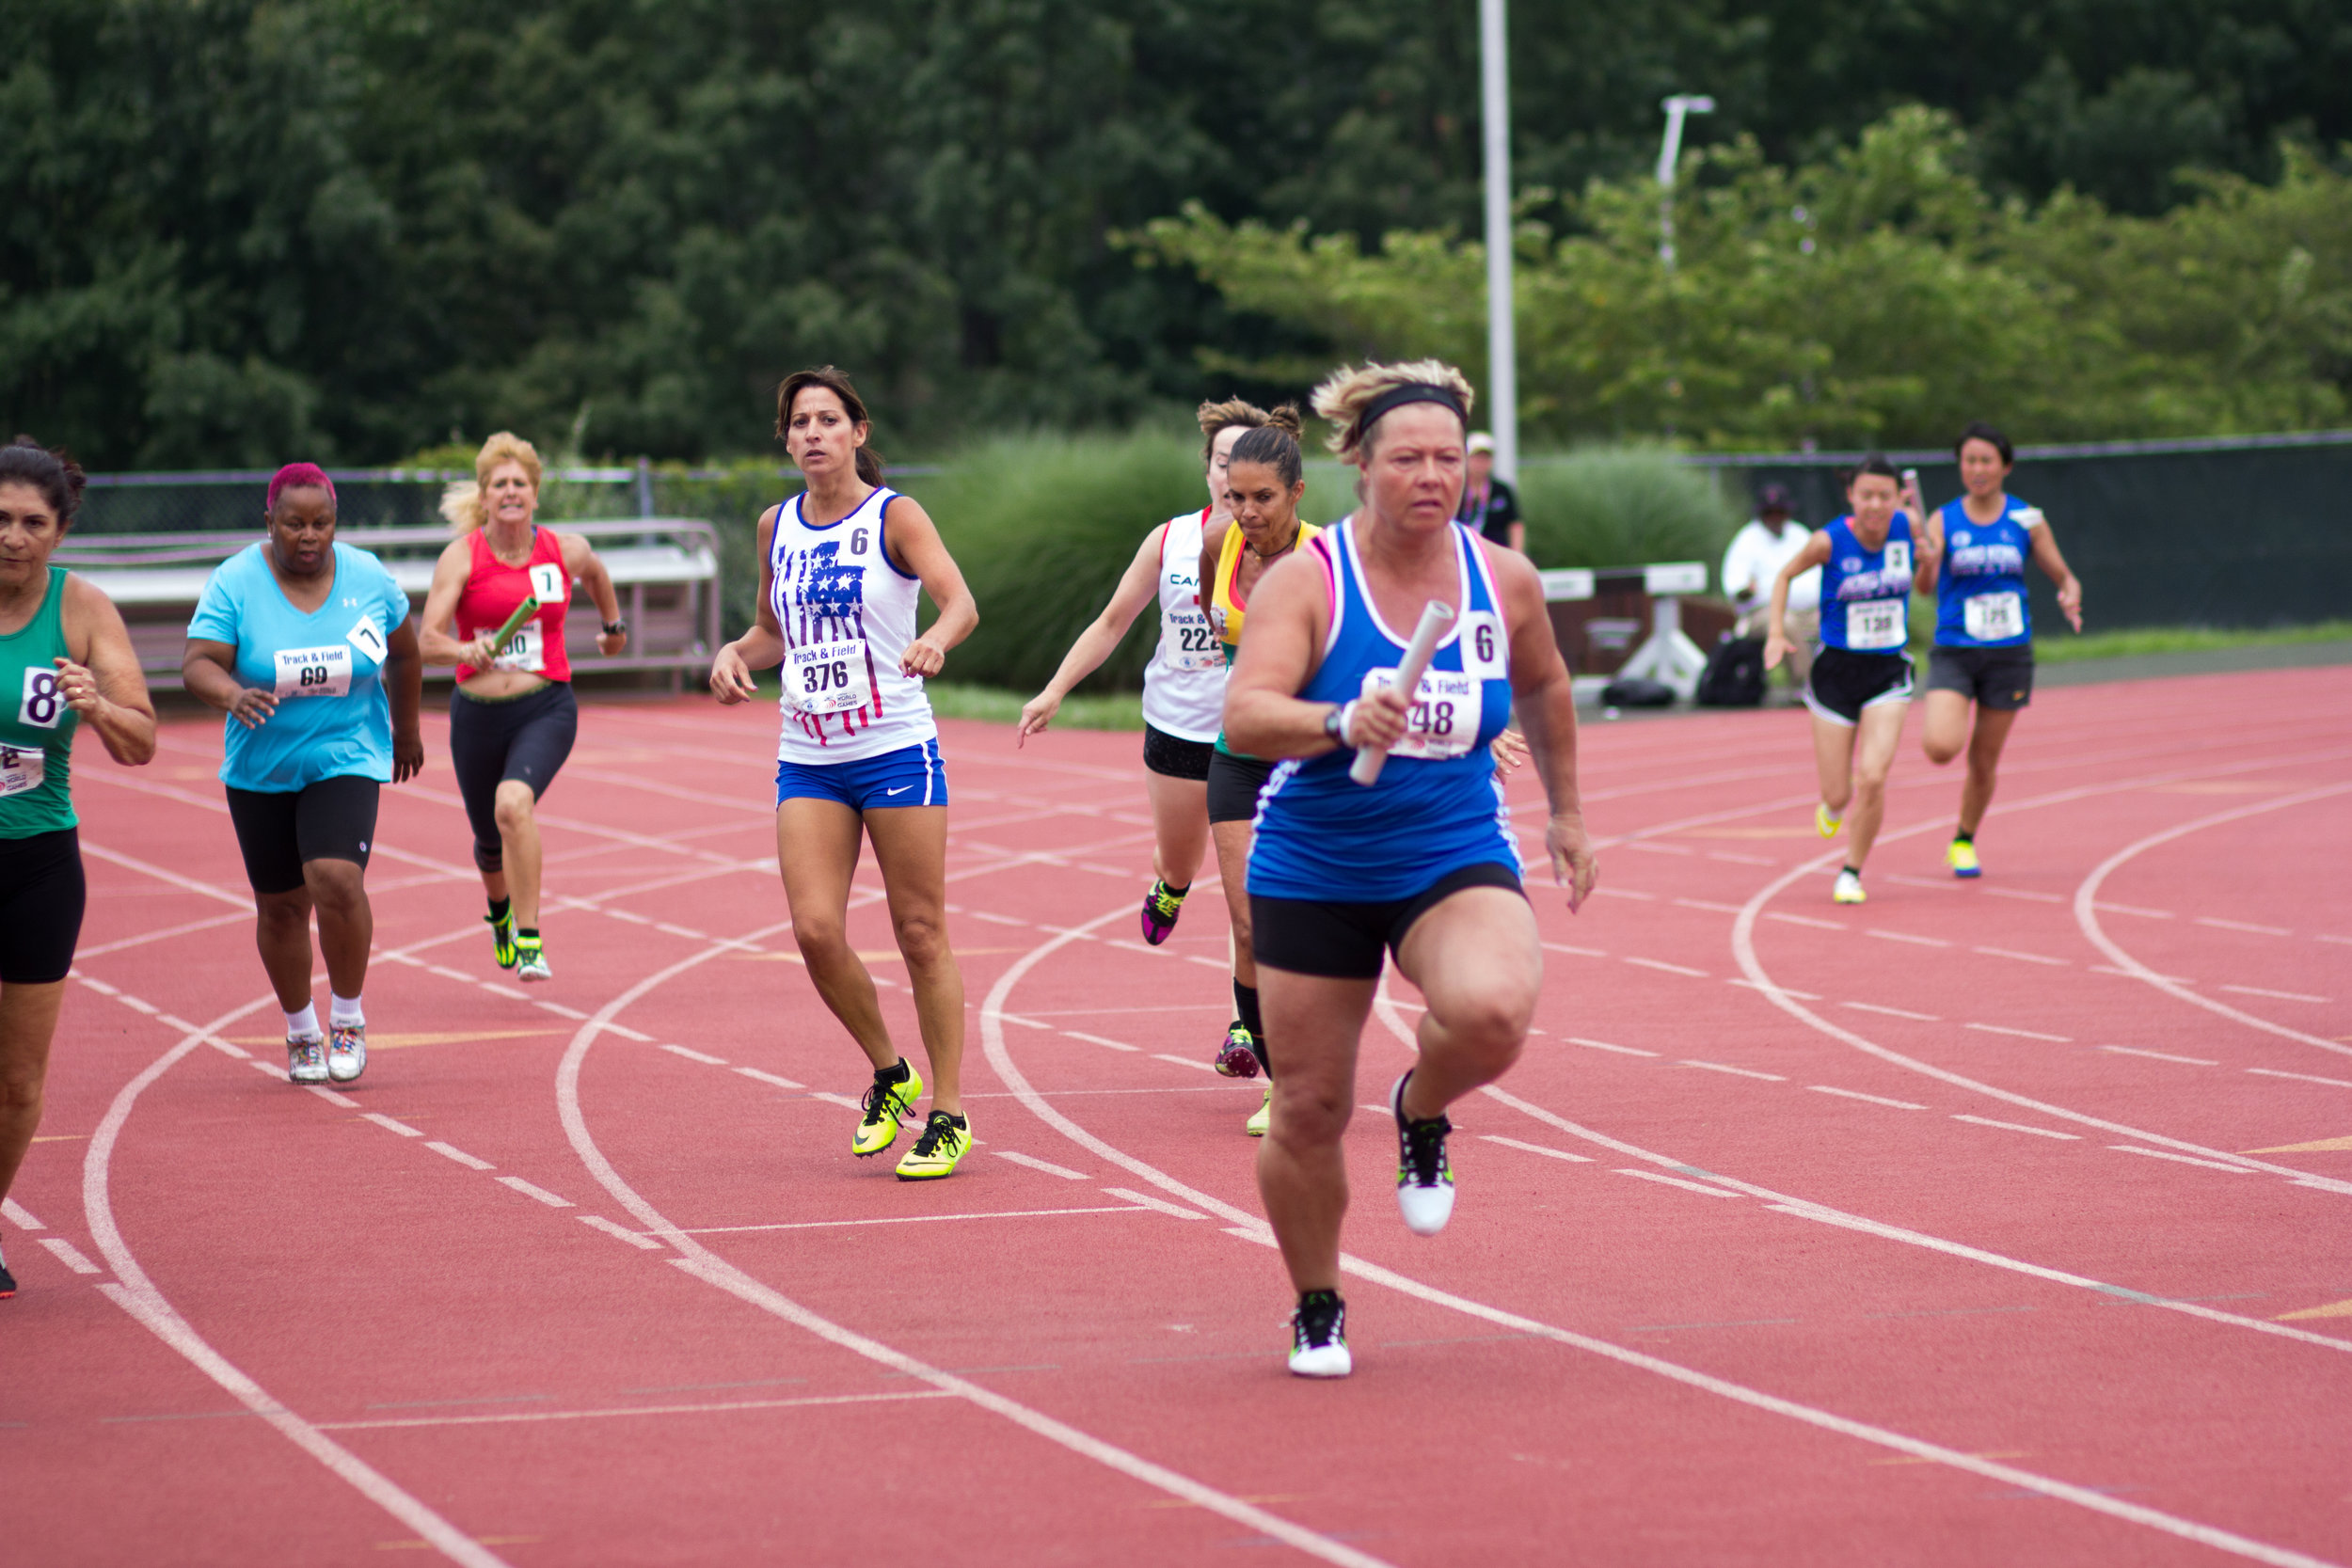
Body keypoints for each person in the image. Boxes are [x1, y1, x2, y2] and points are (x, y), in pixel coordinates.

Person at [1224, 361, 1597, 1378]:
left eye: (1450, 457)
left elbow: (1546, 684)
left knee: (1491, 1010)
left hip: (1449, 849)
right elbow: (1246, 713)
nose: (1434, 476)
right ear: (1358, 463)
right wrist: (1338, 718)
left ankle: (1422, 1107)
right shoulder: (1309, 579)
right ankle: (1316, 1301)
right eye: (1408, 458)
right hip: (1315, 862)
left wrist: (1564, 813)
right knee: (1306, 1106)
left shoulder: (1498, 578)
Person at [710, 366, 982, 1181]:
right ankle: (890, 1072)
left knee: (920, 930)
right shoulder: (775, 526)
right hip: (811, 755)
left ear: (858, 433)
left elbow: (961, 600)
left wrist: (938, 638)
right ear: (787, 438)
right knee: (815, 929)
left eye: (829, 420)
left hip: (896, 747)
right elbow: (770, 631)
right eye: (800, 423)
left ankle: (950, 1110)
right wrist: (732, 651)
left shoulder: (894, 515)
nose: (814, 434)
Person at [1018, 398, 1289, 953]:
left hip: (1254, 735)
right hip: (1178, 728)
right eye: (1222, 462)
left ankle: (1246, 1025)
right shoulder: (1170, 541)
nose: (1232, 477)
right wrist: (1054, 690)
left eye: (1246, 464)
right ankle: (1172, 883)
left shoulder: (1298, 550)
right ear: (1209, 469)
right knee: (1181, 856)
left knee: (1255, 890)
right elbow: (1112, 622)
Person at [183, 464, 422, 1086]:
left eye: (322, 523)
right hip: (261, 765)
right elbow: (198, 662)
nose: (309, 535)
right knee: (283, 907)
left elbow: (406, 651)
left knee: (335, 879)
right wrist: (232, 694)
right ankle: (300, 1029)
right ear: (270, 522)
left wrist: (409, 730)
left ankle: (347, 1016)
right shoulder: (236, 580)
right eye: (295, 523)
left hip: (346, 753)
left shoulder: (367, 575)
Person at [0, 438, 156, 1299]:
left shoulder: (84, 611)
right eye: (0, 519)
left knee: (18, 1080)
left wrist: (97, 705)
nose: (12, 537)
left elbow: (142, 741)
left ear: (59, 532)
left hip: (37, 866)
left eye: (32, 522)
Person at [419, 434, 627, 981]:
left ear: (535, 494)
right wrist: (465, 649)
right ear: (484, 497)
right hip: (476, 715)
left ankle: (529, 937)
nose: (510, 492)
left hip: (546, 706)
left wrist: (612, 628)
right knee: (489, 844)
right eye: (499, 484)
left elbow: (598, 574)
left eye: (520, 484)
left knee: (513, 806)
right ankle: (500, 913)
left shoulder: (563, 550)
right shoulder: (462, 556)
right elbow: (426, 641)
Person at [1195, 413, 1321, 1136]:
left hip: (1307, 762)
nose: (1246, 512)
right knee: (1249, 920)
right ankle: (1282, 1081)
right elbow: (1217, 626)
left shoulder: (1327, 561)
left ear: (1296, 493)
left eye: (1263, 498)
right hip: (1237, 754)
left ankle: (1313, 1056)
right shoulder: (1220, 542)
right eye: (1236, 496)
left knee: (1306, 920)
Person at [1763, 455, 1933, 905]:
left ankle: (1851, 872)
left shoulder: (1910, 526)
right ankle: (1834, 807)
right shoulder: (1828, 540)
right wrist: (1777, 633)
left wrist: (1928, 558)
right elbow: (1783, 576)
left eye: (1884, 495)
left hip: (1887, 671)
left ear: (1899, 497)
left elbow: (1925, 582)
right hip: (1835, 673)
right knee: (1837, 792)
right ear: (1851, 497)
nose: (1875, 505)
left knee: (1873, 778)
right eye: (1866, 495)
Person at [1916, 422, 2084, 877]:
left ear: (2005, 467)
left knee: (1983, 759)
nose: (1977, 469)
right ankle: (1961, 829)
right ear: (1959, 466)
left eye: (1986, 460)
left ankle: (1964, 839)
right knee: (1939, 746)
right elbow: (1925, 586)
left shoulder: (2026, 518)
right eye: (1969, 460)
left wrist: (2069, 591)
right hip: (1955, 648)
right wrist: (1927, 562)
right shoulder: (1943, 519)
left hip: (2009, 654)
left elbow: (2062, 574)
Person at [1721, 483, 1818, 690]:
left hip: (1809, 610)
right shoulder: (1747, 540)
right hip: (1762, 614)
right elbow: (1736, 588)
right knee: (1786, 623)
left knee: (1835, 618)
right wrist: (1748, 591)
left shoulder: (1799, 534)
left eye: (1779, 512)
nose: (1775, 517)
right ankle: (1807, 685)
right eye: (1769, 513)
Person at [1455, 432, 1522, 553]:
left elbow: (1515, 523)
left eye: (1485, 458)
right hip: (1464, 552)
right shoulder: (1457, 489)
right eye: (1476, 458)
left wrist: (1517, 553)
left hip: (1497, 554)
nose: (1481, 463)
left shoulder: (1501, 490)